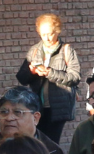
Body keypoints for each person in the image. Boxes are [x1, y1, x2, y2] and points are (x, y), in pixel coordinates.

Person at [18, 12, 81, 145]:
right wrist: (32, 72)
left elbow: (74, 77)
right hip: (37, 106)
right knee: (36, 142)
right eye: (43, 34)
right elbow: (22, 78)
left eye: (50, 34)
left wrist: (49, 73)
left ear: (57, 32)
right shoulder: (35, 50)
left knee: (51, 143)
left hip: (57, 107)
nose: (46, 38)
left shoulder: (66, 50)